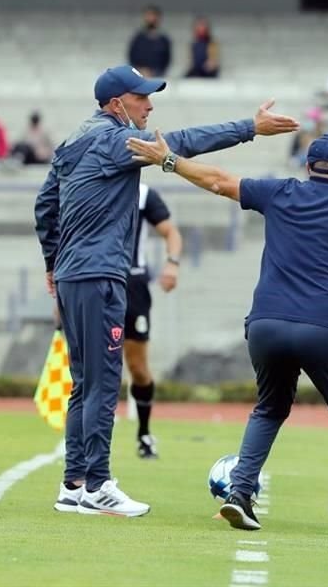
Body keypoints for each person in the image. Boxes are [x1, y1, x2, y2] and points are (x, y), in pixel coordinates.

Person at [125, 131, 328, 539]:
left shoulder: (281, 193)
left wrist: (169, 160)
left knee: (269, 408)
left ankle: (240, 492)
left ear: (307, 167)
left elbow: (217, 180)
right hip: (325, 327)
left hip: (266, 324)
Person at [34, 65, 298, 518]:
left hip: (75, 275)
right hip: (101, 274)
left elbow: (44, 205)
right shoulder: (115, 138)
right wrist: (248, 129)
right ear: (117, 103)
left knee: (84, 382)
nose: (149, 104)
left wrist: (52, 263)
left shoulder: (72, 141)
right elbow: (182, 143)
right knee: (101, 382)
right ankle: (98, 484)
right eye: (141, 97)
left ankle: (73, 483)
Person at [125, 182, 182, 459]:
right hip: (95, 279)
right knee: (93, 365)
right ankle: (83, 438)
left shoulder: (144, 193)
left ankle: (144, 433)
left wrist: (172, 263)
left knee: (137, 366)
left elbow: (171, 231)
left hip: (132, 285)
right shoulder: (91, 183)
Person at [128, 5, 172, 78]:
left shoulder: (163, 40)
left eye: (153, 15)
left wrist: (154, 72)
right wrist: (140, 70)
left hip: (157, 76)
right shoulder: (138, 39)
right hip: (139, 75)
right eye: (148, 15)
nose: (151, 18)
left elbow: (166, 61)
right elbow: (132, 58)